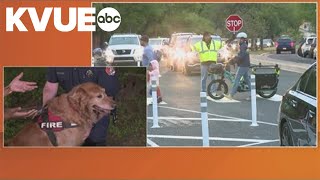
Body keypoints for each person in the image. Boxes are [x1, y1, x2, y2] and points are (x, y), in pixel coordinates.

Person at [42, 67, 120, 146]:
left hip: (96, 112)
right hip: (70, 110)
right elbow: (50, 89)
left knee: (94, 141)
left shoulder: (100, 62)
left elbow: (109, 98)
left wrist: (88, 125)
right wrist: (45, 114)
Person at [226, 32, 251, 100]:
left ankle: (231, 95)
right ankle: (252, 94)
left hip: (243, 65)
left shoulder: (243, 46)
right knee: (247, 80)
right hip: (244, 65)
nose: (238, 40)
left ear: (242, 39)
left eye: (239, 39)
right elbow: (240, 55)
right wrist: (234, 57)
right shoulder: (243, 45)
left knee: (236, 80)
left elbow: (241, 56)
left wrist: (234, 60)